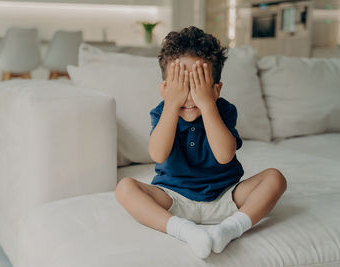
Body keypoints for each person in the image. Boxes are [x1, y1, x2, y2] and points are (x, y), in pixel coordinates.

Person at [114, 26, 287, 259]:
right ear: (165, 89)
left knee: (275, 178)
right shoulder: (162, 112)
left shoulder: (223, 110)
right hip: (173, 197)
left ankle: (230, 229)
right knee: (125, 188)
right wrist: (171, 104)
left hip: (226, 196)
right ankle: (183, 230)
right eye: (181, 85)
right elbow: (158, 154)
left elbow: (224, 155)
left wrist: (207, 105)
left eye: (198, 85)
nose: (189, 96)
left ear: (216, 90)